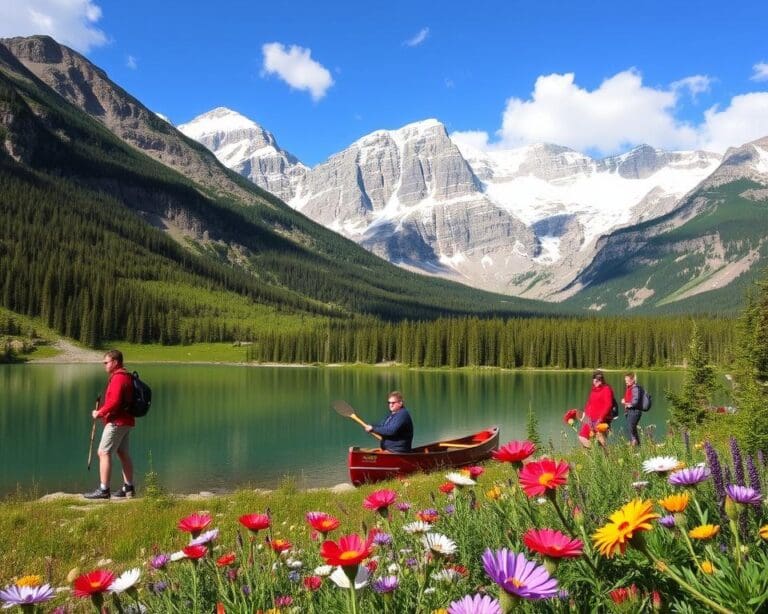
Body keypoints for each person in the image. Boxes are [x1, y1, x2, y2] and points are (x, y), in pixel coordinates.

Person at [83, 349, 136, 499]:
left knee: (103, 452)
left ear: (115, 362)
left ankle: (104, 489)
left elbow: (114, 402)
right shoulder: (126, 376)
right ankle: (128, 488)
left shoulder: (118, 378)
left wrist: (99, 412)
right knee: (123, 453)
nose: (104, 365)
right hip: (126, 421)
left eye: (106, 362)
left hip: (116, 422)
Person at [578, 370, 618, 448]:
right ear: (593, 380)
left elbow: (608, 405)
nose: (596, 380)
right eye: (595, 378)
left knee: (600, 440)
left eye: (599, 379)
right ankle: (595, 452)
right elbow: (589, 404)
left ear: (602, 379)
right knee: (582, 437)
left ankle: (606, 457)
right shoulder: (593, 390)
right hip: (589, 419)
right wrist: (584, 417)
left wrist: (600, 418)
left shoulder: (607, 389)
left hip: (601, 419)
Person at [622, 372, 643, 446]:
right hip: (630, 412)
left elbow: (635, 402)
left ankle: (633, 446)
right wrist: (625, 401)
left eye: (627, 380)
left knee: (631, 429)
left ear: (632, 380)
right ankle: (639, 448)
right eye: (625, 380)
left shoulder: (635, 388)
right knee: (632, 430)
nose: (626, 382)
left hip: (634, 412)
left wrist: (626, 403)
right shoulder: (629, 387)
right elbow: (630, 398)